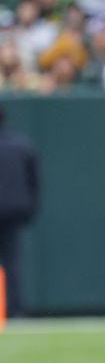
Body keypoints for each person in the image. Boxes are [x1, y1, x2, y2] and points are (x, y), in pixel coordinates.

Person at [0, 108, 39, 318]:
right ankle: (15, 310)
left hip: (12, 211)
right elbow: (34, 181)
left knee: (12, 261)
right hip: (14, 211)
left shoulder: (21, 145)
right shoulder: (21, 144)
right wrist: (30, 208)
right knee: (12, 262)